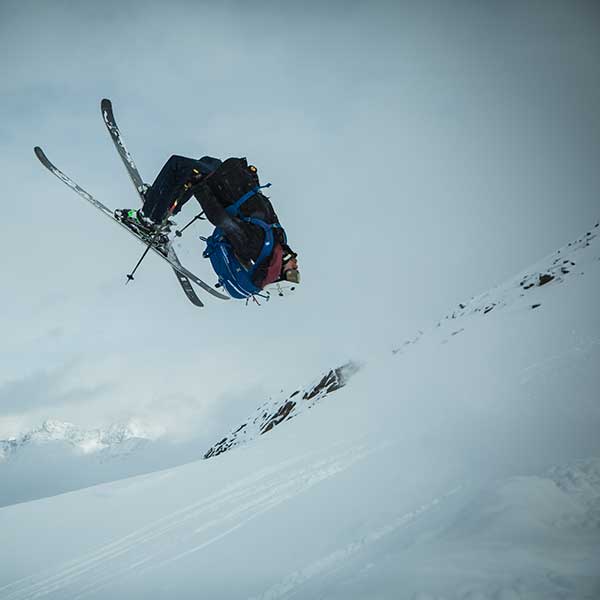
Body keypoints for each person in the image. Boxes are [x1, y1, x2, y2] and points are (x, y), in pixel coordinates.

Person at [115, 154, 300, 297]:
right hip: (228, 183)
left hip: (219, 189)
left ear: (279, 273)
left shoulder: (255, 246)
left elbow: (221, 220)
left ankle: (148, 219)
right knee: (209, 161)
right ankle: (162, 201)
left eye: (293, 274)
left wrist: (200, 187)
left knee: (177, 165)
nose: (296, 266)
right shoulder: (278, 241)